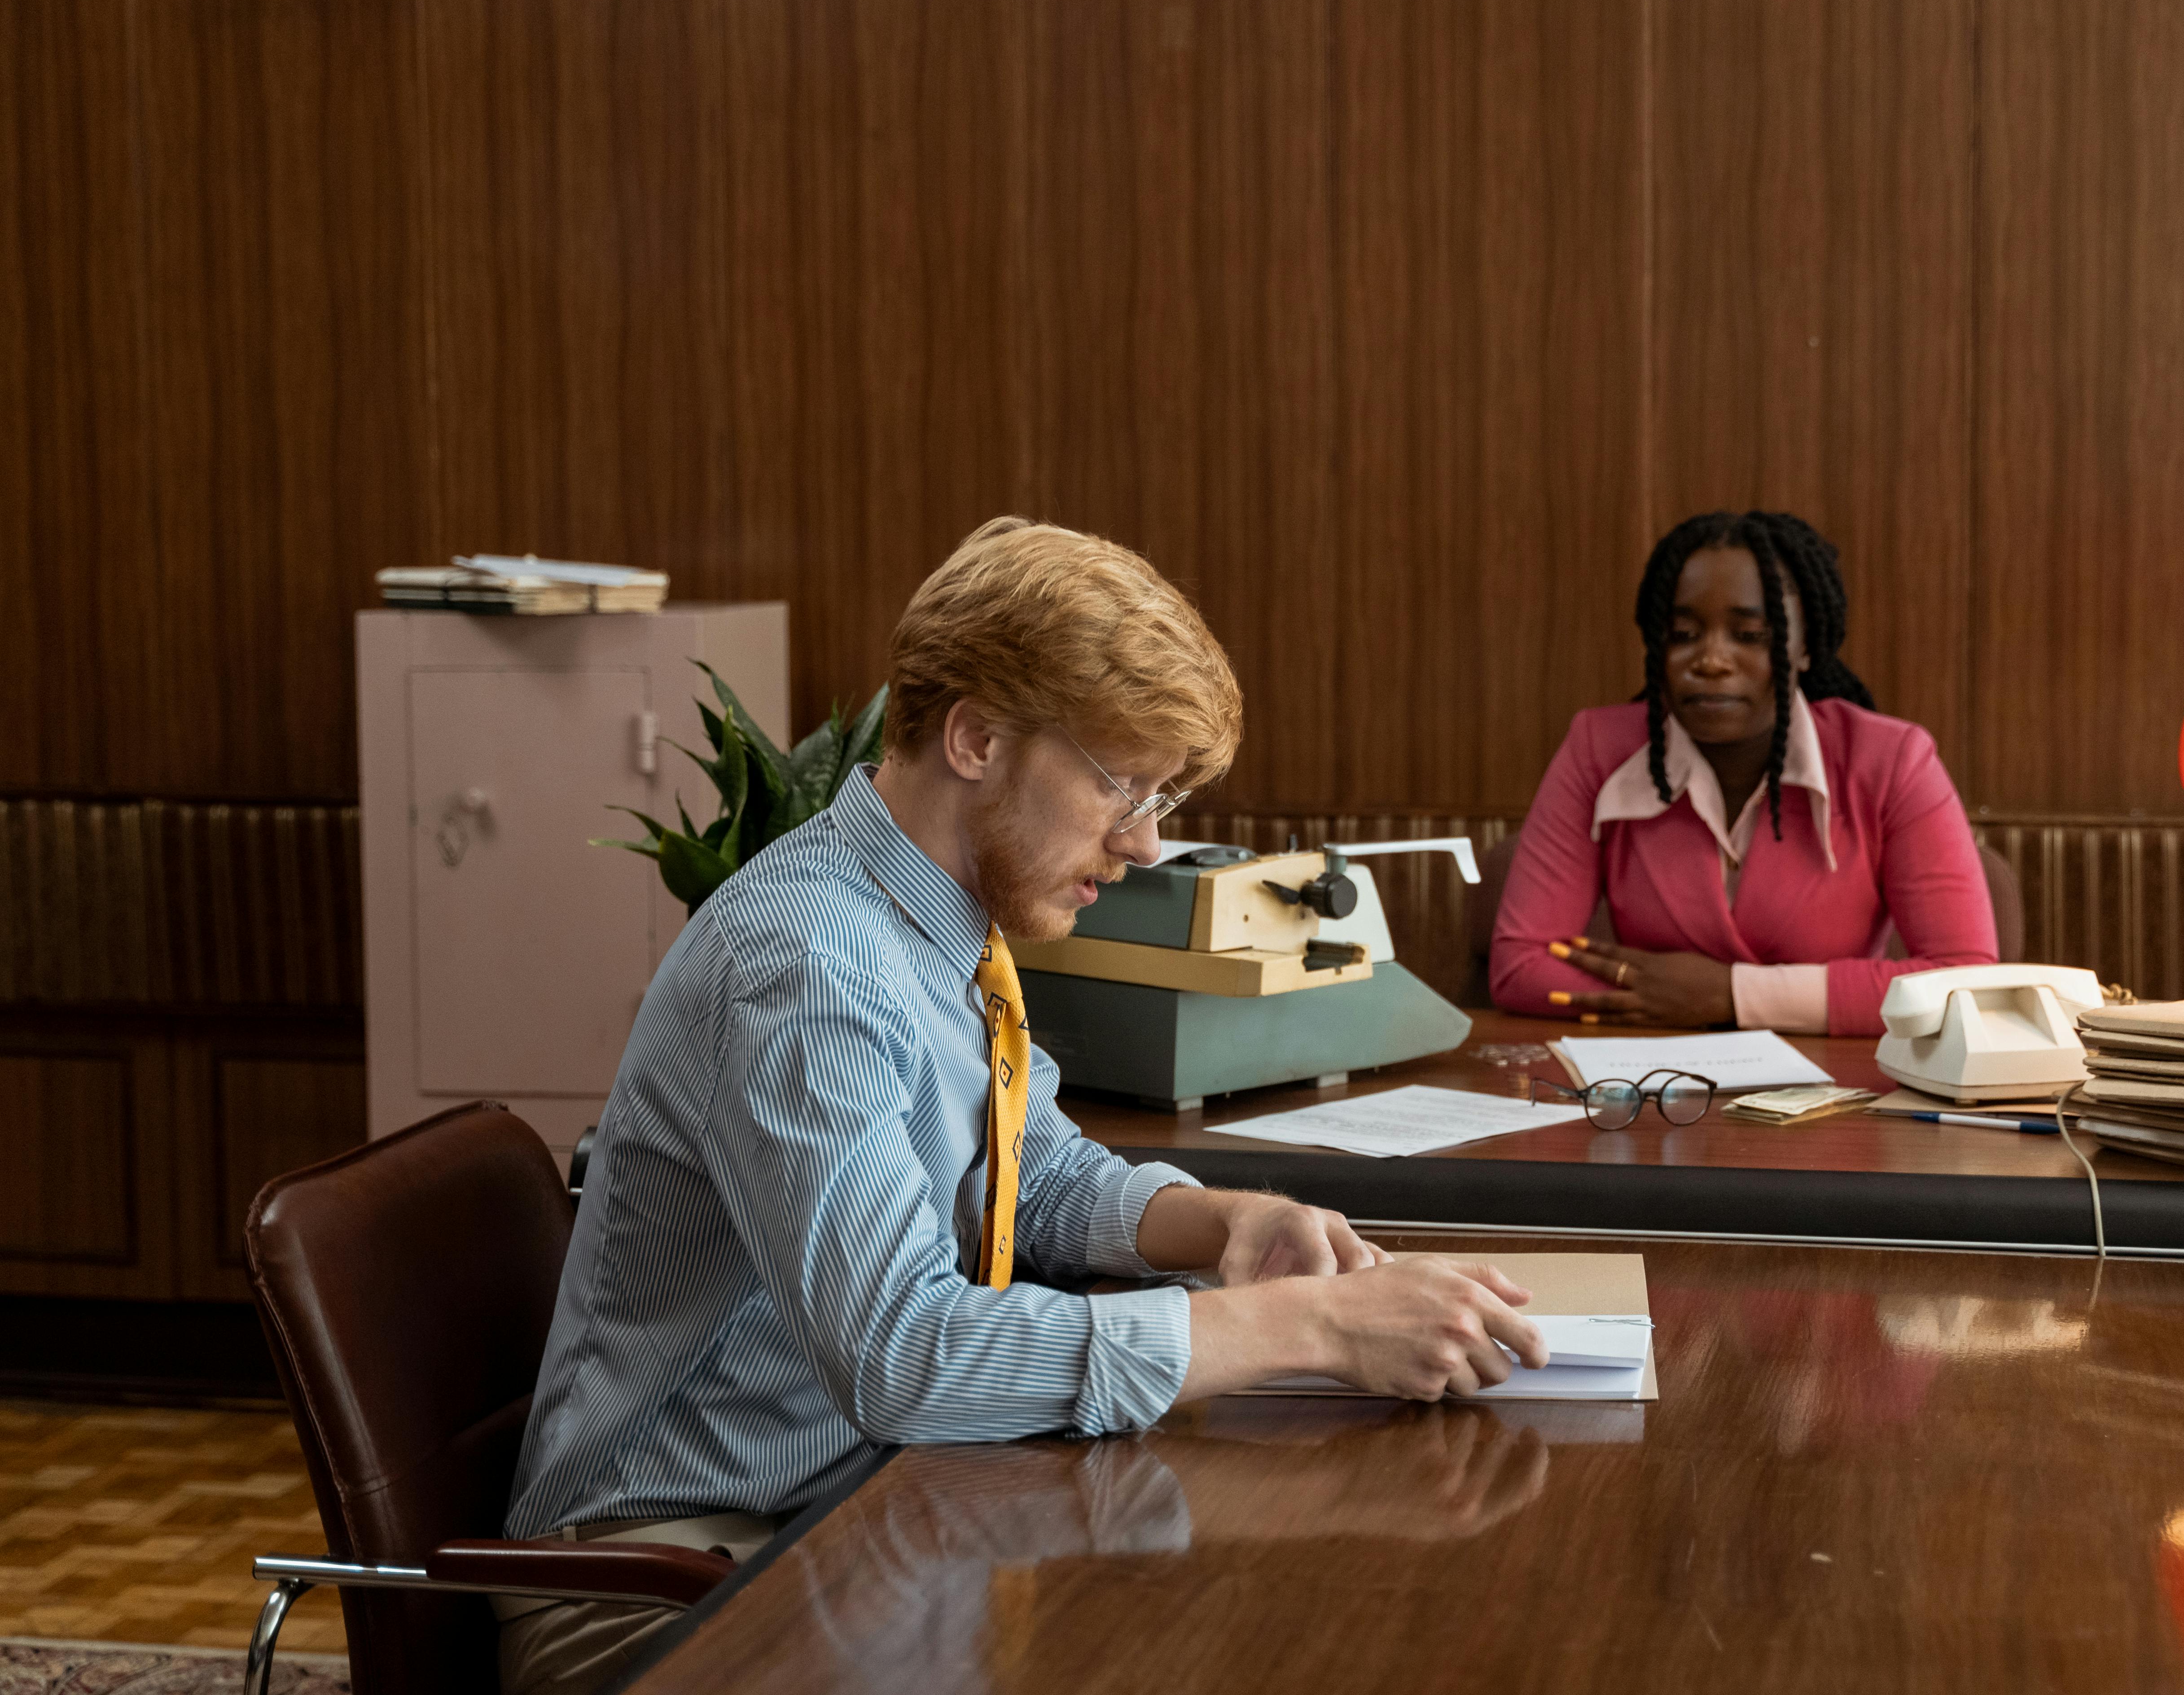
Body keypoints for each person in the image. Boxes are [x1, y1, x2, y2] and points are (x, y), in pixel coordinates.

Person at [499, 517, 1548, 1695]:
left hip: (862, 1504)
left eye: (1163, 792)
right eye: (1121, 781)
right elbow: (907, 1357)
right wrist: (1313, 1329)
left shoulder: (932, 928)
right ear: (976, 737)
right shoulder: (803, 969)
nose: (1147, 839)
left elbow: (1029, 1169)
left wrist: (1225, 1224)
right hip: (671, 1577)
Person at [1489, 510, 1996, 1038]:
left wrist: (1730, 996)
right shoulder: (1597, 749)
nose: (1710, 660)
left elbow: (1963, 977)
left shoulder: (1892, 761)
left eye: (1751, 635)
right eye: (1682, 633)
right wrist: (1666, 998)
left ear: (1804, 648)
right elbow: (1520, 964)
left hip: (1836, 1095)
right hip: (1657, 1088)